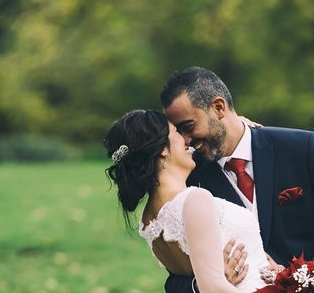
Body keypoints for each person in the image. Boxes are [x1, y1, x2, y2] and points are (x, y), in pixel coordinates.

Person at [160, 67, 314, 293]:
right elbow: (175, 279)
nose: (185, 140)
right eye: (178, 132)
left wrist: (297, 279)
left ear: (219, 107)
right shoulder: (191, 181)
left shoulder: (300, 148)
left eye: (188, 127)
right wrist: (206, 281)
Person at [104, 109, 273, 293]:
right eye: (177, 132)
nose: (187, 139)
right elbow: (212, 287)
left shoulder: (148, 220)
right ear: (162, 148)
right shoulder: (194, 199)